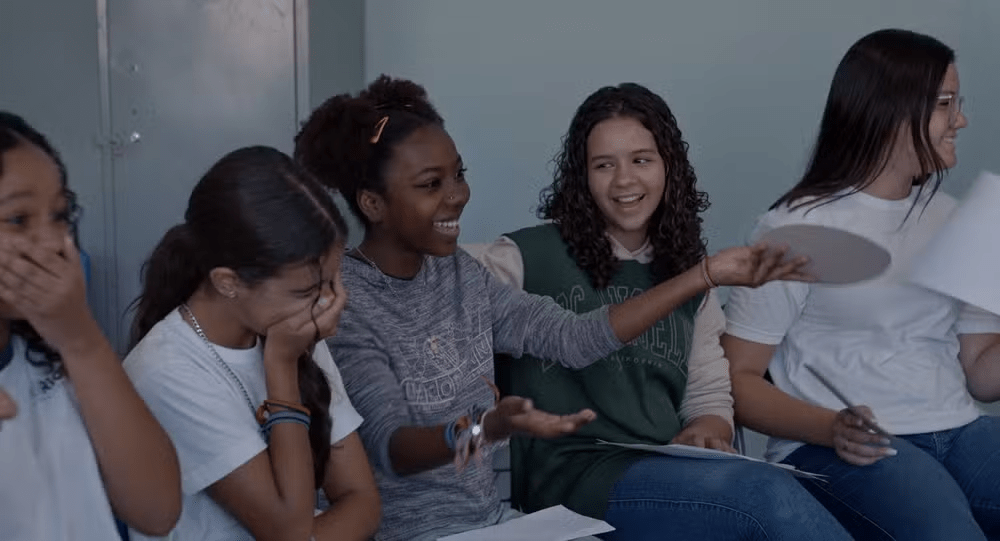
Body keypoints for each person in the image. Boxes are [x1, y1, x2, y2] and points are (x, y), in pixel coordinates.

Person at [293, 75, 806, 541]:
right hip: (416, 531)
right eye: (432, 184)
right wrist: (486, 426)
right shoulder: (348, 300)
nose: (458, 195)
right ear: (373, 203)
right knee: (758, 499)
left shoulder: (463, 275)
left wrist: (704, 275)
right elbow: (393, 448)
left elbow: (575, 339)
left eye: (458, 175)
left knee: (758, 497)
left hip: (491, 523)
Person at [478, 82, 850, 541]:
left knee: (768, 493)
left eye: (641, 160)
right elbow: (441, 303)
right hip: (572, 476)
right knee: (763, 495)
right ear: (581, 176)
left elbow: (708, 396)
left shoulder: (687, 276)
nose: (624, 181)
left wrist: (706, 430)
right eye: (603, 165)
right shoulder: (522, 257)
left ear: (669, 166)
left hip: (666, 469)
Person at [722, 28, 1000, 540]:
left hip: (959, 427)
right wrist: (829, 428)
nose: (960, 120)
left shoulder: (958, 220)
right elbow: (736, 380)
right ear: (891, 110)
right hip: (842, 445)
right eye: (944, 104)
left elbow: (982, 375)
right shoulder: (795, 228)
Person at [124, 146, 380, 541]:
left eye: (334, 280)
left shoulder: (289, 327)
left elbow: (361, 501)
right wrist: (282, 367)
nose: (332, 302)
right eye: (309, 290)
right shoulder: (166, 370)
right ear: (228, 282)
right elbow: (288, 533)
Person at [0, 111, 181, 539]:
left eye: (60, 215)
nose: (53, 243)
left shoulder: (55, 357)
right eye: (18, 219)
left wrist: (81, 340)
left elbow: (157, 511)